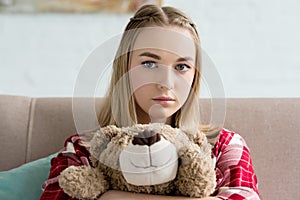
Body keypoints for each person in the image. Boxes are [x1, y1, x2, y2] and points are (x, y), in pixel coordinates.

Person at [40, 4, 260, 200]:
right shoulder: (83, 148)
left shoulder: (224, 146)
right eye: (149, 64)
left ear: (195, 76)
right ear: (124, 69)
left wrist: (109, 196)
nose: (166, 83)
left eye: (181, 67)